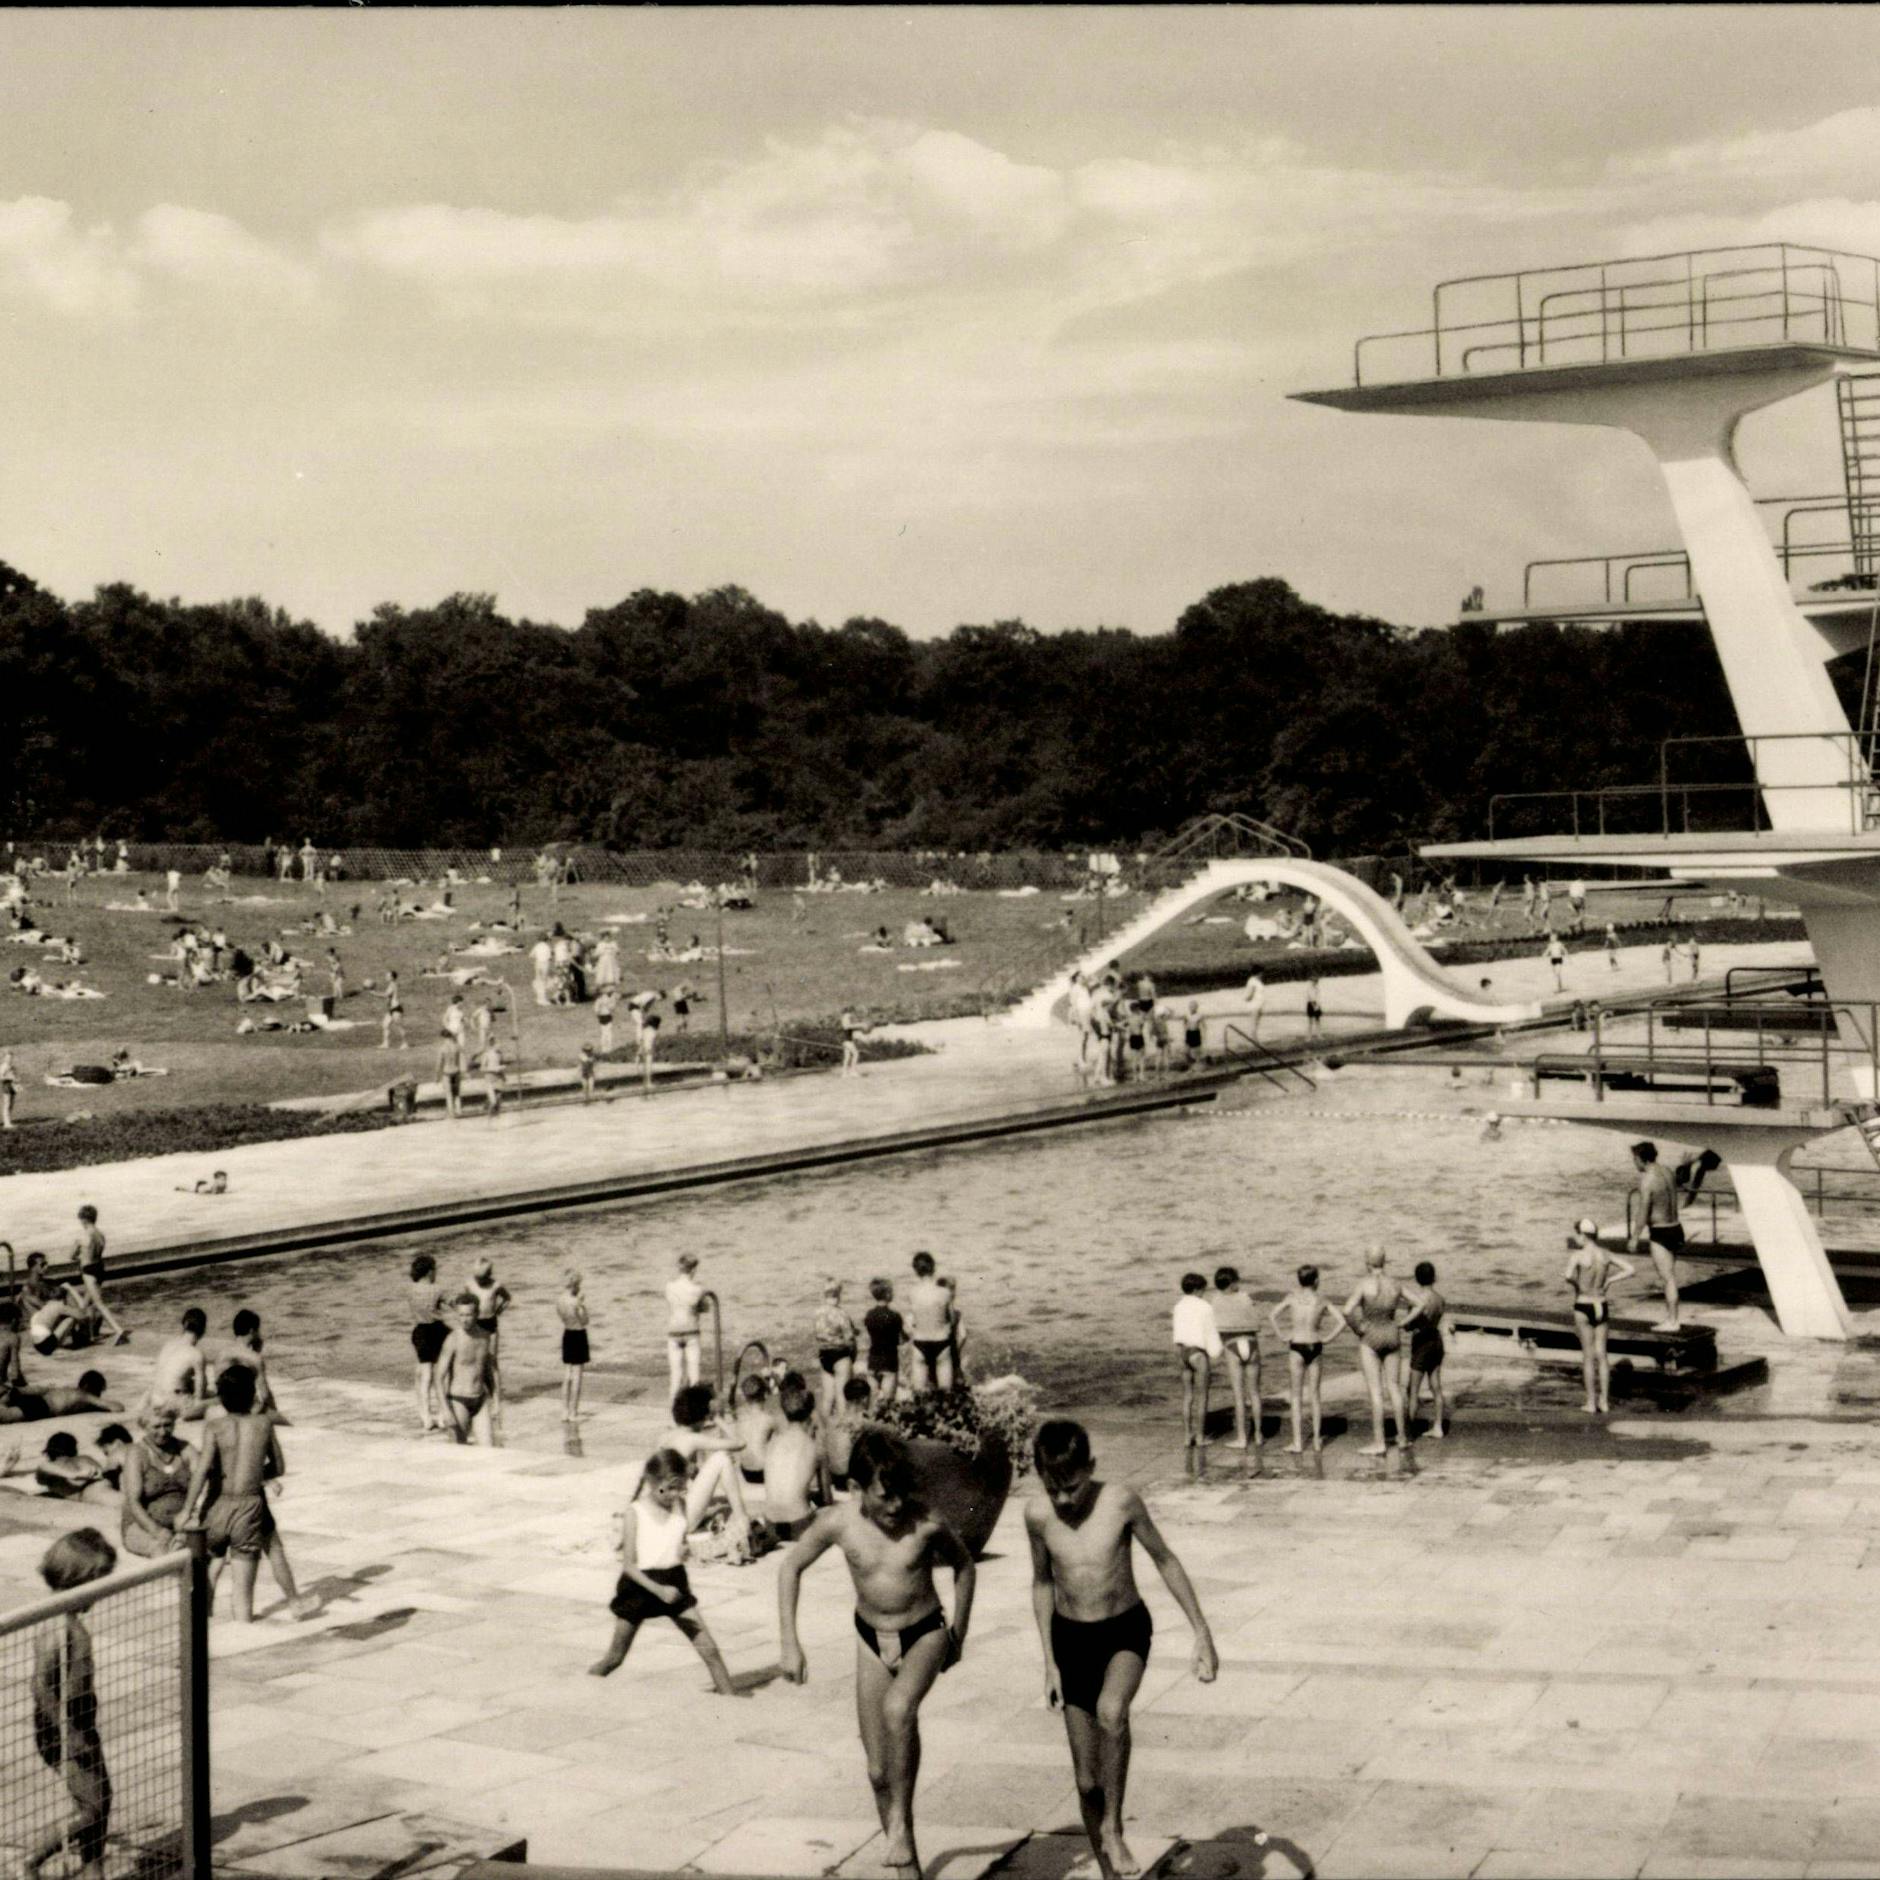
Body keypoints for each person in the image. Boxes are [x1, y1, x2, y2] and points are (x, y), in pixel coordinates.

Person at [777, 1429, 975, 1880]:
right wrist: (789, 1641)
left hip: (924, 1632)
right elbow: (790, 1566)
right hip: (871, 1638)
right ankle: (910, 1871)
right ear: (857, 1490)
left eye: (901, 1494)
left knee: (899, 1708)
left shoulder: (926, 1522)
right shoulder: (837, 1523)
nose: (895, 1506)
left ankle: (901, 1825)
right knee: (877, 1771)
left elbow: (964, 1566)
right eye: (884, 1497)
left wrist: (958, 1631)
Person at [1027, 1418, 1218, 1880]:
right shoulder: (1037, 1516)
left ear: (1091, 1467)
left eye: (1072, 1487)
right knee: (1085, 1781)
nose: (1065, 1500)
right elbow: (1042, 1583)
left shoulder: (1121, 1502)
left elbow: (1165, 1559)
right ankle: (1110, 1870)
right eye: (1054, 1490)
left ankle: (1113, 1826)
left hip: (1124, 1632)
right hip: (1071, 1639)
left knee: (1112, 1712)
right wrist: (1050, 1663)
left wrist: (1201, 1632)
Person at [177, 1362, 318, 1622]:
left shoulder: (214, 1427)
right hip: (249, 1507)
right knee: (249, 1583)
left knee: (213, 1563)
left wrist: (186, 1510)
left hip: (216, 1505)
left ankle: (202, 1623)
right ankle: (269, 1613)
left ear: (220, 1397)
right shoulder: (264, 1424)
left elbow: (203, 1471)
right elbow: (279, 1466)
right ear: (252, 1394)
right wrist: (257, 1476)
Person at [589, 1448, 738, 1694]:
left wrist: (684, 1551)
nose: (674, 1494)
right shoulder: (634, 1513)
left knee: (709, 1649)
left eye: (679, 1488)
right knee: (615, 1658)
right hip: (640, 1587)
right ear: (652, 1482)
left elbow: (679, 1542)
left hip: (674, 1582)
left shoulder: (679, 1504)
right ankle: (586, 1687)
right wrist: (659, 1591)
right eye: (668, 1488)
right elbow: (628, 1566)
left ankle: (731, 1701)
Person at [24, 1527, 116, 1880]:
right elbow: (41, 1685)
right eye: (96, 1582)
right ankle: (33, 1860)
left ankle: (94, 1868)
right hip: (67, 1730)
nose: (100, 1592)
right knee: (93, 1808)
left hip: (80, 1724)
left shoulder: (68, 1620)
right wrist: (66, 1735)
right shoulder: (58, 1627)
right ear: (76, 1579)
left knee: (100, 1800)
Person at [1270, 1267, 1348, 1454]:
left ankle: (1297, 1443)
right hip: (1315, 1344)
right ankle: (1316, 1442)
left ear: (1300, 1281)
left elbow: (1272, 1315)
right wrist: (1328, 1338)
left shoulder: (1291, 1297)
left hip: (1296, 1345)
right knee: (1315, 1395)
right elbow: (1342, 1321)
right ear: (1315, 1281)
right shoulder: (1321, 1299)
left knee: (1296, 1397)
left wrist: (1281, 1334)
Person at [663, 1382, 754, 1542]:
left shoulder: (667, 1437)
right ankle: (743, 1521)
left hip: (661, 1518)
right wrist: (718, 1418)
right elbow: (740, 1443)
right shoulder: (692, 1439)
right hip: (678, 1523)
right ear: (702, 1416)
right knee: (721, 1458)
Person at [1343, 1246, 1410, 1457]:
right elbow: (1420, 1304)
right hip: (1391, 1333)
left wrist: (1357, 1328)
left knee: (1376, 1391)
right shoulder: (1395, 1283)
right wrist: (1403, 1323)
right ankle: (1402, 1438)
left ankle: (1379, 1442)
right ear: (1384, 1260)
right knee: (1395, 1388)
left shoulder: (1364, 1284)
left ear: (1366, 1262)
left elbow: (1346, 1310)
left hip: (1370, 1335)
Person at [1566, 1218, 1636, 1414]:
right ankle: (1604, 1401)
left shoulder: (1578, 1255)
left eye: (1577, 1234)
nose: (1576, 1238)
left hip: (1584, 1304)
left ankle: (1590, 1402)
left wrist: (1577, 1287)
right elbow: (1631, 1269)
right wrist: (1610, 1280)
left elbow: (1568, 1276)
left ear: (1583, 1235)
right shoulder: (1605, 1254)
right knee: (1602, 1355)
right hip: (1601, 1304)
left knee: (1588, 1357)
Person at [120, 1401, 194, 1556]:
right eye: (156, 1427)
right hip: (143, 1525)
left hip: (181, 1523)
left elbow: (203, 1476)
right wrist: (157, 1531)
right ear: (145, 1427)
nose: (163, 1432)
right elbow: (133, 1501)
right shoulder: (137, 1453)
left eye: (167, 1425)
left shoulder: (184, 1448)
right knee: (162, 1551)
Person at [1628, 1140, 1684, 1330]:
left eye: (1634, 1159)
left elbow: (1643, 1212)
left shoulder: (1647, 1180)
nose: (1633, 1163)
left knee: (1667, 1278)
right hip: (1676, 1227)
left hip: (1661, 1231)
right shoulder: (1667, 1171)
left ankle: (1672, 1321)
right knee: (1670, 1275)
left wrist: (1635, 1237)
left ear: (1639, 1158)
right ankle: (1672, 1319)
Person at [764, 1375, 826, 1540]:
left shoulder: (772, 1443)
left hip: (770, 1524)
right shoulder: (816, 1447)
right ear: (809, 1414)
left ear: (784, 1413)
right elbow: (827, 1499)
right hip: (800, 1525)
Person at [1208, 1266, 1264, 1450]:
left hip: (1232, 1346)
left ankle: (1241, 1438)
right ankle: (1258, 1435)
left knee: (1239, 1396)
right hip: (1251, 1343)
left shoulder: (1215, 1301)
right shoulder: (1245, 1297)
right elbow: (1257, 1324)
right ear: (1233, 1283)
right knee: (1255, 1393)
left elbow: (1215, 1327)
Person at [435, 1294, 498, 1445]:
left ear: (477, 1314)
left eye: (469, 1314)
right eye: (461, 1315)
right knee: (458, 1450)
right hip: (458, 1401)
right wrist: (445, 1410)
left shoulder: (485, 1337)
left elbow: (490, 1373)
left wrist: (496, 1401)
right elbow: (438, 1377)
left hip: (480, 1400)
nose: (464, 1319)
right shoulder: (453, 1339)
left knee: (489, 1449)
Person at [1171, 1272, 1221, 1448]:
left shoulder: (1178, 1306)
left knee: (1187, 1396)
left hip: (1182, 1351)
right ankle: (1200, 1437)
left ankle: (1186, 1436)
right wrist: (1216, 1353)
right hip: (1198, 1353)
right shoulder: (1204, 1306)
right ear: (1198, 1289)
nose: (1204, 1293)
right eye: (1203, 1290)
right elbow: (1210, 1333)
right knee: (1202, 1396)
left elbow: (1177, 1334)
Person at [1401, 1261, 1449, 1440]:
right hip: (1436, 1341)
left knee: (1413, 1390)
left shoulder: (1417, 1299)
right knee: (1436, 1386)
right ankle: (1438, 1427)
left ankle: (1408, 1434)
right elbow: (1437, 1317)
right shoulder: (1439, 1299)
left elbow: (1408, 1326)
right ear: (1434, 1277)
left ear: (1417, 1278)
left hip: (1421, 1343)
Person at [72, 1206, 127, 1344]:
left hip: (88, 1270)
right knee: (85, 1305)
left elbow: (71, 1256)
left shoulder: (83, 1236)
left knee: (98, 1303)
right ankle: (90, 1335)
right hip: (100, 1268)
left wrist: (79, 1255)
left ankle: (118, 1330)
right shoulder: (101, 1235)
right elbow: (97, 1252)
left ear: (84, 1220)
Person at [145, 1307, 210, 1421]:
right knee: (220, 1401)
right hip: (174, 1403)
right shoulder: (196, 1354)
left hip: (155, 1399)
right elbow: (200, 1395)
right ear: (203, 1330)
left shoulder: (168, 1345)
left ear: (184, 1325)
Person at [905, 1251, 956, 1394]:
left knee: (919, 1394)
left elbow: (912, 1319)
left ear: (915, 1271)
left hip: (920, 1342)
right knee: (946, 1394)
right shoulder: (945, 1293)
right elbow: (951, 1320)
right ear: (933, 1268)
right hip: (941, 1342)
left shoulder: (912, 1293)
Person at [409, 1253, 450, 1433]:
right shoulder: (437, 1289)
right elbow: (452, 1304)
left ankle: (426, 1417)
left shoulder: (410, 1289)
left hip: (420, 1331)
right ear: (430, 1272)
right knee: (443, 1372)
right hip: (437, 1330)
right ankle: (442, 1415)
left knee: (424, 1374)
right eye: (435, 1270)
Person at [665, 1252, 708, 1397]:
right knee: (694, 1373)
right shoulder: (698, 1289)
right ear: (693, 1270)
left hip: (674, 1332)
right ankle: (695, 1409)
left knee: (676, 1374)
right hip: (691, 1332)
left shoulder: (669, 1287)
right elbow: (705, 1308)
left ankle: (674, 1408)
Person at [814, 1280, 858, 1420]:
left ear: (824, 1295)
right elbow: (850, 1338)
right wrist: (852, 1357)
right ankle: (843, 1432)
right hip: (840, 1355)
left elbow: (819, 1334)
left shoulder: (817, 1313)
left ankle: (822, 1432)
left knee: (827, 1397)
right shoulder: (841, 1314)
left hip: (824, 1355)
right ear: (839, 1294)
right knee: (841, 1397)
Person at [825, 1375, 874, 1492]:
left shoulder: (832, 1420)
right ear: (864, 1399)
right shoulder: (863, 1423)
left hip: (834, 1477)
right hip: (851, 1480)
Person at [863, 1277, 906, 1406]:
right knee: (888, 1404)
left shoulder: (869, 1315)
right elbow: (901, 1339)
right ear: (887, 1294)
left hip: (873, 1361)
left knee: (873, 1403)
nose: (893, 1293)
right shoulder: (895, 1316)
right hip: (889, 1362)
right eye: (892, 1291)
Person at [558, 1270, 590, 1423]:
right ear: (575, 1285)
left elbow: (562, 1316)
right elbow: (585, 1321)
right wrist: (582, 1304)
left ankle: (564, 1411)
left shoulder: (560, 1300)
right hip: (578, 1335)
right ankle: (573, 1412)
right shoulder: (575, 1301)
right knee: (577, 1376)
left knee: (567, 1375)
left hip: (567, 1333)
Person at [436, 1032, 464, 1121]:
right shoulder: (457, 1047)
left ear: (444, 1038)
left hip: (447, 1072)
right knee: (456, 1093)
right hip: (456, 1071)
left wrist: (437, 1076)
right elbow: (461, 1060)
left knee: (448, 1094)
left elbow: (439, 1064)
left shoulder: (442, 1049)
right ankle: (459, 1111)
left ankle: (451, 1113)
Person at [380, 969, 408, 1049]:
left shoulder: (393, 985)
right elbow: (389, 997)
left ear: (392, 977)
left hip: (396, 1009)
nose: (386, 977)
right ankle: (386, 1043)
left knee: (399, 1027)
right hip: (391, 1009)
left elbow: (386, 995)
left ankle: (405, 1043)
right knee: (385, 1025)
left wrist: (374, 993)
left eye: (387, 976)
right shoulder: (391, 984)